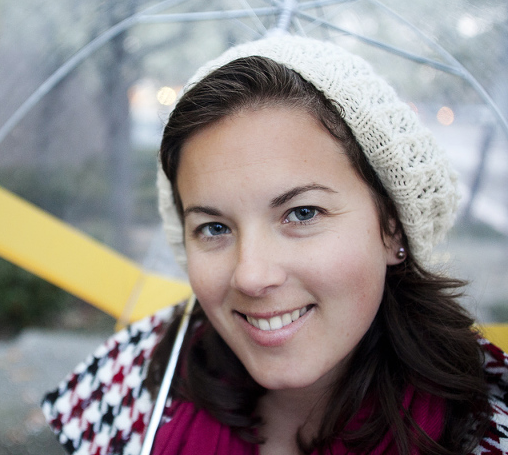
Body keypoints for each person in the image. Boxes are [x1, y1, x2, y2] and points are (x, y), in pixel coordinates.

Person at [42, 34, 508, 455]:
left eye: (302, 213)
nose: (251, 275)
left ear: (392, 228)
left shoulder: (481, 431)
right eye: (214, 228)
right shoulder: (136, 382)